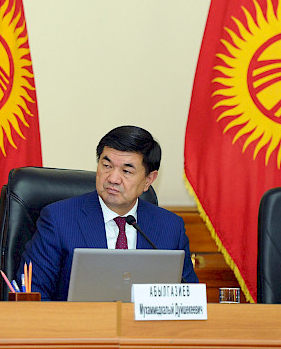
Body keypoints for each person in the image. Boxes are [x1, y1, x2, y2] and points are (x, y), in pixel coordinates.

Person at [17, 125, 198, 300]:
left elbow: (189, 299)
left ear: (148, 180)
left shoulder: (170, 227)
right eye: (106, 165)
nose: (113, 178)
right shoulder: (59, 219)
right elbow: (34, 296)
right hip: (77, 321)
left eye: (126, 171)